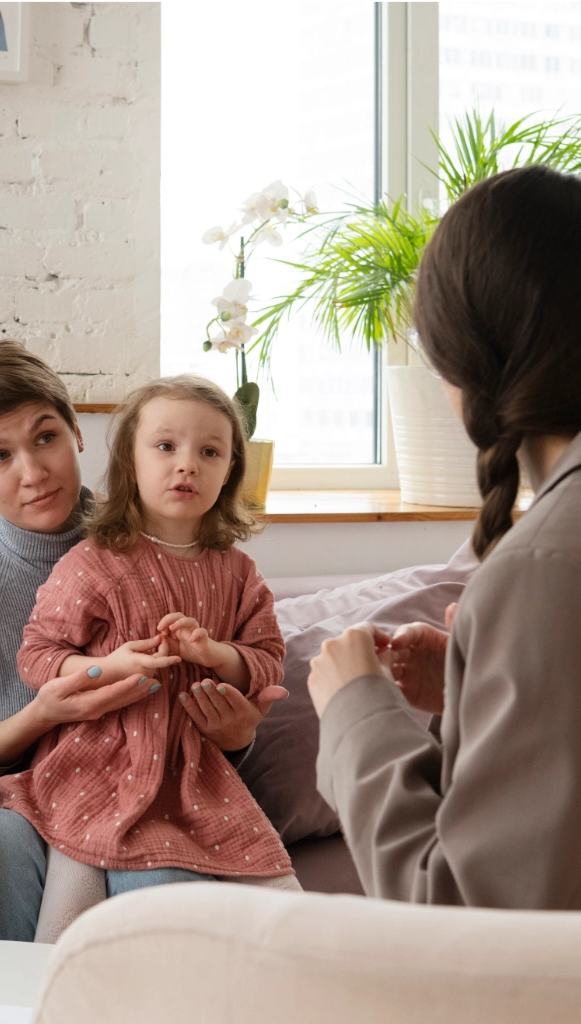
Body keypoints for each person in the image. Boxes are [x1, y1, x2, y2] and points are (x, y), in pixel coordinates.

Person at [0, 342, 286, 940]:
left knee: (159, 874)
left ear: (78, 433)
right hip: (21, 799)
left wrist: (238, 738)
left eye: (46, 437)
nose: (33, 472)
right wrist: (40, 716)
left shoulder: (171, 536)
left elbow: (204, 707)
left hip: (156, 791)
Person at [308, 164, 581, 908]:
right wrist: (472, 689)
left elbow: (463, 913)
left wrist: (356, 709)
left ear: (458, 358)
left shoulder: (543, 567)